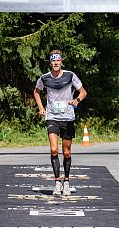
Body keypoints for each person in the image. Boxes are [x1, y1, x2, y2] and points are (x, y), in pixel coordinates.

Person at [33, 49, 87, 196]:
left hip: (68, 117)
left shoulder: (70, 76)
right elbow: (36, 92)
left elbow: (83, 92)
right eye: (53, 60)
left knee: (67, 152)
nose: (55, 63)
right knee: (53, 149)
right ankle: (57, 182)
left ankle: (67, 182)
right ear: (50, 63)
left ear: (61, 61)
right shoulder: (44, 78)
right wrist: (41, 108)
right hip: (52, 117)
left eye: (58, 60)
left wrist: (76, 100)